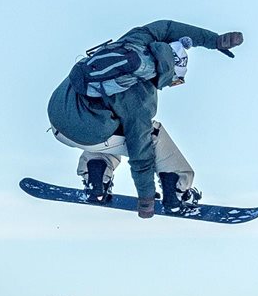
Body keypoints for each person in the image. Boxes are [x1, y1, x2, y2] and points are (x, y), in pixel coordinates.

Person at [47, 20, 243, 219]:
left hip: (58, 113)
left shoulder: (136, 40)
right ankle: (176, 191)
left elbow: (168, 28)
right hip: (88, 130)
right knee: (152, 134)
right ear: (170, 71)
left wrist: (215, 41)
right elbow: (141, 152)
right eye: (175, 80)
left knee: (111, 128)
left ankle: (96, 176)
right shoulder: (141, 97)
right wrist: (146, 199)